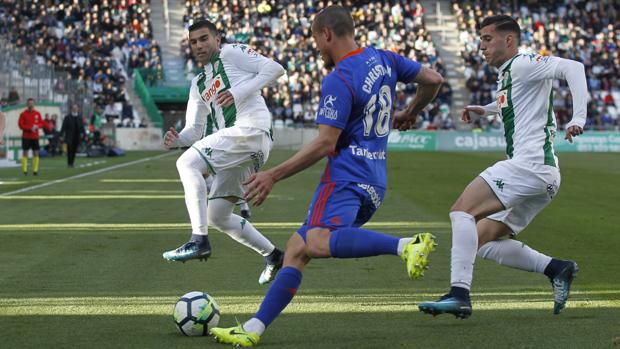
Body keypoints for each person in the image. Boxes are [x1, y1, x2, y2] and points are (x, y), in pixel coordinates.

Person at [210, 6, 444, 346]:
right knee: (296, 249)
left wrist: (274, 174)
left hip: (345, 178)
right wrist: (411, 111)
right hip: (376, 179)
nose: (317, 49)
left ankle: (406, 246)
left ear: (327, 35)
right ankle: (253, 329)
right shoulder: (384, 59)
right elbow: (434, 79)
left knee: (317, 242)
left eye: (316, 40)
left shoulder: (340, 77)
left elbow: (325, 143)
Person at [417, 15, 587, 319]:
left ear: (509, 40)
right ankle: (557, 269)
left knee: (462, 212)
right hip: (544, 176)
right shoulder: (511, 72)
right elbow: (514, 101)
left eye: (487, 39)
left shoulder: (523, 62)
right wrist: (486, 110)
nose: (481, 46)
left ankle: (459, 294)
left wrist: (579, 119)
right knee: (481, 240)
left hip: (529, 166)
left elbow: (574, 68)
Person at [162, 18, 286, 285]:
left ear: (217, 39)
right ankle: (274, 256)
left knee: (186, 164)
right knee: (217, 215)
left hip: (251, 130)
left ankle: (198, 239)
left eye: (204, 38)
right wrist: (176, 139)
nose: (199, 45)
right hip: (242, 146)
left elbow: (275, 69)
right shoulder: (198, 84)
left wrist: (238, 91)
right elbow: (194, 131)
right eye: (193, 42)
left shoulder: (231, 52)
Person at [18, 98, 44, 175]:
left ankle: (35, 170)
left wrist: (37, 126)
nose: (30, 104)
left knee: (36, 153)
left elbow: (42, 123)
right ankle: (24, 170)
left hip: (35, 137)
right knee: (25, 152)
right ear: (27, 104)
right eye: (29, 103)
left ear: (34, 104)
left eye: (32, 103)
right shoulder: (23, 114)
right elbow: (20, 125)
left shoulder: (37, 113)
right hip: (26, 136)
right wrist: (30, 128)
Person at [60, 104, 85, 168]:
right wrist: (61, 135)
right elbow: (64, 127)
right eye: (73, 108)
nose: (75, 109)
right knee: (69, 149)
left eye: (76, 108)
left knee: (74, 150)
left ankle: (72, 162)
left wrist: (84, 134)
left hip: (76, 136)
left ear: (78, 109)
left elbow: (82, 127)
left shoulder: (79, 117)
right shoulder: (67, 117)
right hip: (69, 136)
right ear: (71, 109)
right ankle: (69, 163)